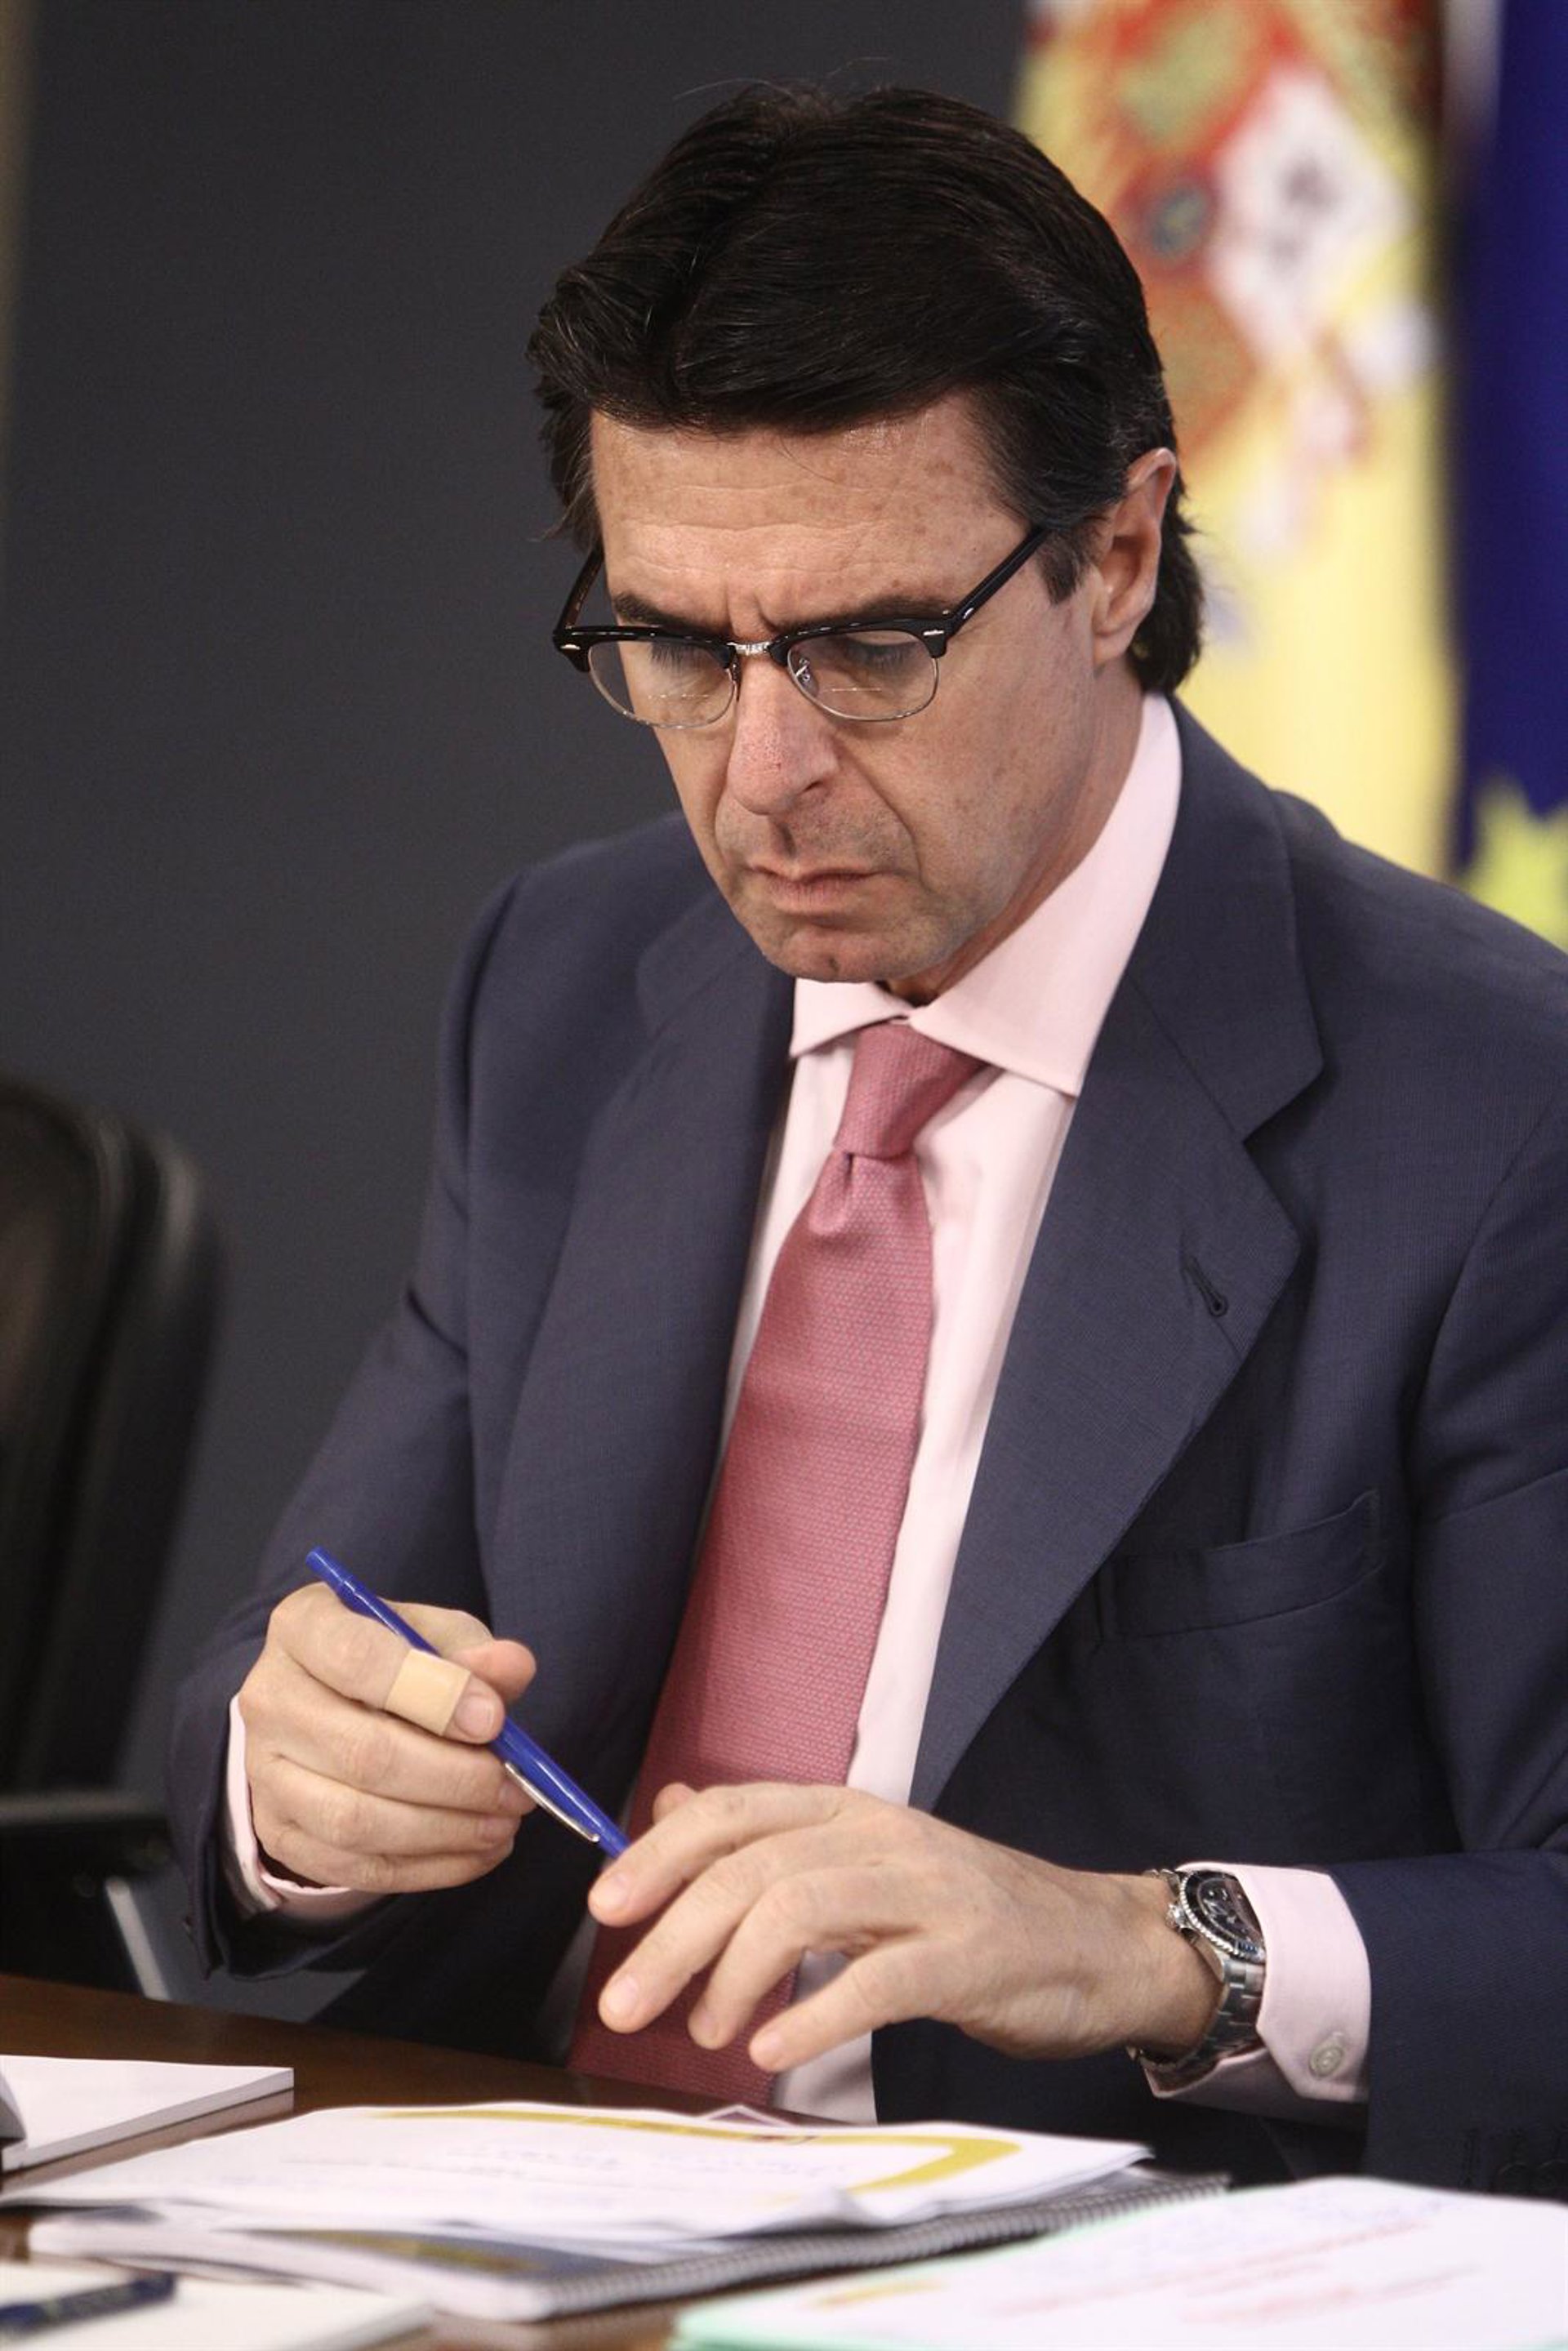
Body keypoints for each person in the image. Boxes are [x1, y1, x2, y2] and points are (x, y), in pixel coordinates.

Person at [170, 86, 1568, 2198]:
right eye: (677, 647)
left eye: (868, 646)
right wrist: (301, 1784)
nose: (763, 775)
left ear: (1115, 557)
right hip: (512, 2211)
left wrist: (1152, 1940)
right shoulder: (563, 983)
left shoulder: (1492, 1108)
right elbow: (272, 1682)